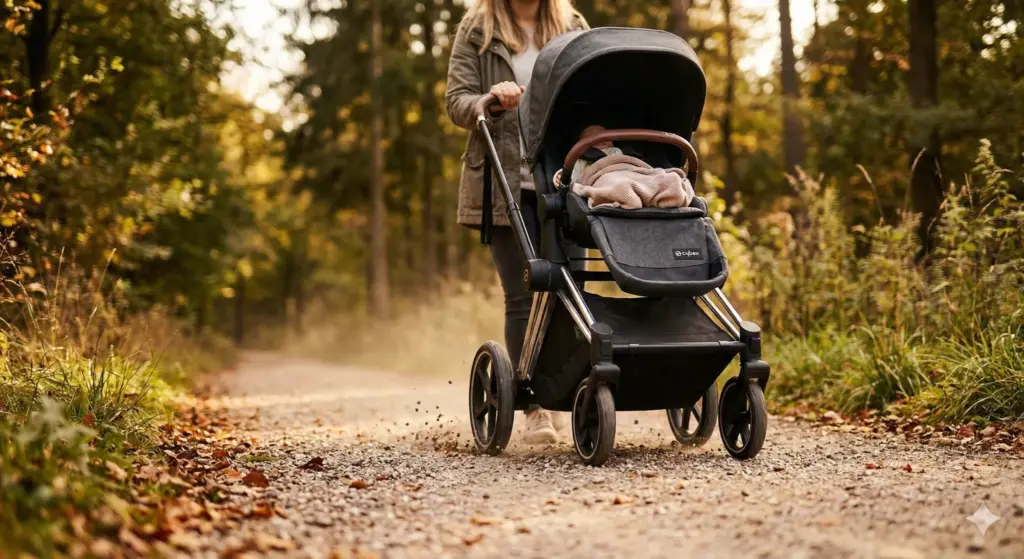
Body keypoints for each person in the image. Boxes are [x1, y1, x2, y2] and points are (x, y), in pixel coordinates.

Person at [445, 0, 588, 444]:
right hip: (504, 181)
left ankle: (571, 387)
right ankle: (534, 406)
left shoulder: (573, 25)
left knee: (574, 289)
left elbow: (594, 90)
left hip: (566, 180)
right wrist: (490, 101)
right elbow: (456, 101)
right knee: (523, 296)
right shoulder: (478, 27)